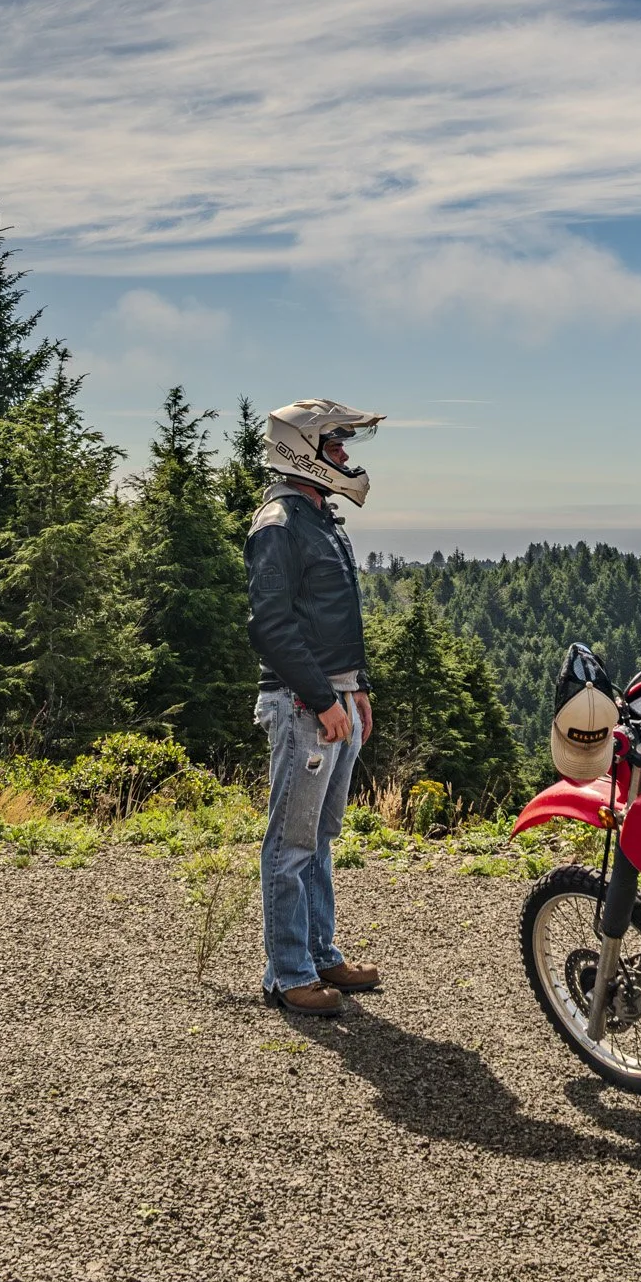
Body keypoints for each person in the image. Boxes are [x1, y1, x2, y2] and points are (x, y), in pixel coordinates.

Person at [244, 399, 388, 1017]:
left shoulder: (318, 517)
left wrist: (354, 688)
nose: (346, 456)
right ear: (304, 450)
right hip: (304, 704)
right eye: (335, 446)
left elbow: (328, 619)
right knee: (291, 842)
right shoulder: (279, 523)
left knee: (321, 837)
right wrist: (325, 698)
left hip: (333, 699)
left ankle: (321, 953)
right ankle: (288, 973)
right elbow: (272, 626)